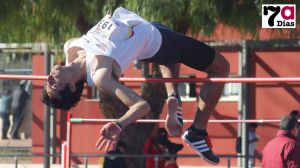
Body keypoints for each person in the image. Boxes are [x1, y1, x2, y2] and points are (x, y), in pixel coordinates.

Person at [41, 7, 230, 164]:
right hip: (158, 42)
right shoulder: (99, 76)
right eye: (53, 84)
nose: (49, 78)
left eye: (47, 81)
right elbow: (142, 106)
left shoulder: (70, 46)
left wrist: (107, 21)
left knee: (169, 57)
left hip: (149, 30)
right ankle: (197, 131)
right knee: (221, 68)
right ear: (72, 87)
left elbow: (104, 38)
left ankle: (173, 96)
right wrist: (119, 124)